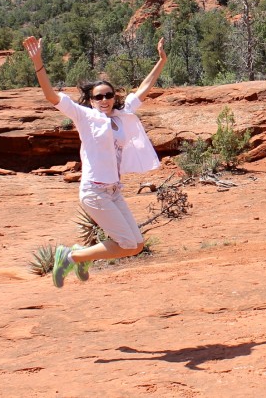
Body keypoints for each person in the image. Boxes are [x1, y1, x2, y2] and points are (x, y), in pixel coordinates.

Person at [22, 35, 168, 287]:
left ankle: (80, 255)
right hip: (94, 190)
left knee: (137, 246)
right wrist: (38, 63)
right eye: (98, 97)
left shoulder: (123, 115)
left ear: (114, 97)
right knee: (127, 244)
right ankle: (71, 256)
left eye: (108, 95)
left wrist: (161, 60)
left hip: (113, 191)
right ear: (91, 100)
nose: (104, 100)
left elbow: (145, 86)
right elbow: (51, 96)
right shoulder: (84, 117)